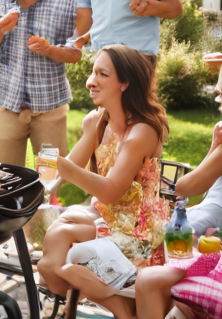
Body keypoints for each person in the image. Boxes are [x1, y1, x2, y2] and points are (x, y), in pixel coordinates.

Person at [37, 44, 170, 319]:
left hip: (141, 233)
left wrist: (61, 166)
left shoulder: (142, 132)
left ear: (124, 83)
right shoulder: (99, 121)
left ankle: (60, 302)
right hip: (110, 219)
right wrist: (53, 177)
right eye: (92, 72)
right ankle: (56, 299)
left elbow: (110, 191)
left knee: (62, 235)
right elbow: (68, 169)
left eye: (102, 74)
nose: (90, 81)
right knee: (64, 227)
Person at [135, 53, 222, 319]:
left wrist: (216, 146)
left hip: (219, 243)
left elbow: (186, 187)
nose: (216, 88)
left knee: (150, 273)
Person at [0, 0, 81, 167]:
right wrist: (1, 26)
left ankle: (45, 204)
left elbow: (76, 53)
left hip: (50, 108)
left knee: (50, 177)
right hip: (9, 105)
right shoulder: (1, 0)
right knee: (4, 176)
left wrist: (48, 49)